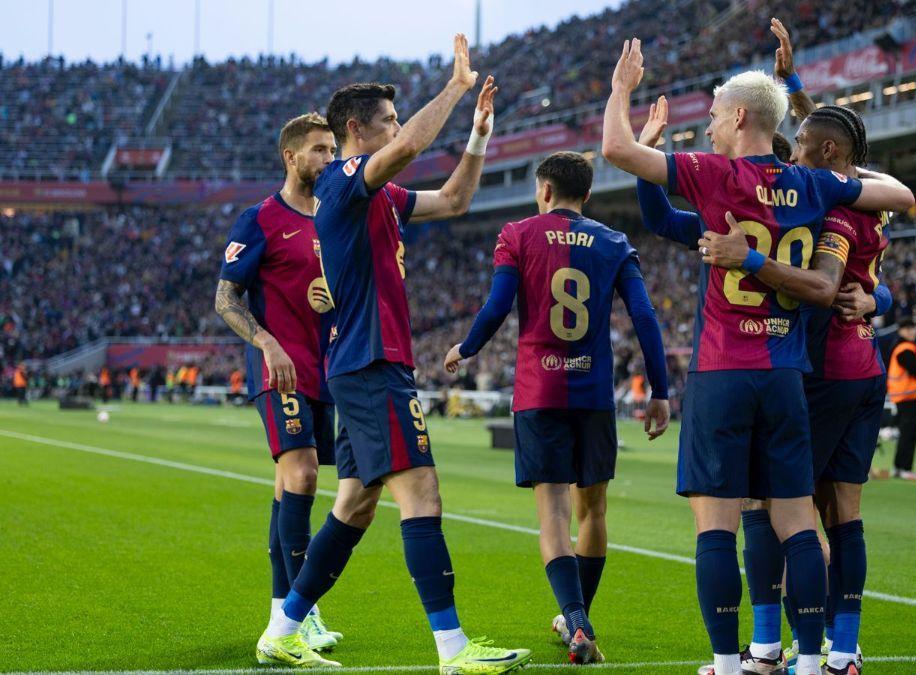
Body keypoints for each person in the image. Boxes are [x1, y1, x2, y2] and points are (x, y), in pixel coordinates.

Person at [601, 36, 915, 675]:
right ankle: (809, 659)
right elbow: (897, 196)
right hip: (788, 372)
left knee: (719, 521)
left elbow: (615, 150)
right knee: (798, 516)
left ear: (739, 117)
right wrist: (875, 283)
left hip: (724, 367)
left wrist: (623, 92)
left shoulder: (718, 177)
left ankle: (731, 660)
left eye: (716, 114)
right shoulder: (815, 184)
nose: (711, 124)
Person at [264, 35, 530, 672]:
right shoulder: (344, 179)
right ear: (357, 129)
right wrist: (456, 88)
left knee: (355, 504)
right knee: (423, 494)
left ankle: (284, 627)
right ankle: (453, 648)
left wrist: (478, 138)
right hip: (371, 362)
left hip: (367, 362)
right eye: (386, 117)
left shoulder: (377, 192)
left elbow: (454, 200)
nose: (396, 126)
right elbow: (409, 145)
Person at [443, 151, 672, 664]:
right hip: (592, 395)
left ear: (543, 191)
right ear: (587, 195)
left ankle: (577, 618)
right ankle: (578, 618)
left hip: (540, 393)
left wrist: (468, 347)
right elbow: (645, 316)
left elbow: (498, 306)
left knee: (553, 515)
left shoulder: (518, 234)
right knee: (594, 509)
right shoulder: (614, 242)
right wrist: (660, 390)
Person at [700, 98, 893, 673]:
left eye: (802, 143)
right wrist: (881, 298)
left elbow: (829, 286)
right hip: (865, 366)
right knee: (844, 512)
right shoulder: (861, 194)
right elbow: (855, 157)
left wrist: (752, 257)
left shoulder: (825, 208)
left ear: (827, 152)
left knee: (772, 505)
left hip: (823, 368)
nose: (794, 149)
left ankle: (766, 650)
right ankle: (843, 652)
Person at [215, 112, 342, 660]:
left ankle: (277, 613)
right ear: (291, 157)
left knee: (286, 490)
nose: (329, 159)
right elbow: (225, 298)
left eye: (333, 149)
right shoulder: (260, 219)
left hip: (324, 371)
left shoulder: (337, 219)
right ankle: (303, 614)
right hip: (280, 369)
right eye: (319, 150)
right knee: (305, 475)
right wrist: (267, 344)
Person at [888, 317, 916, 480]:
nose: (911, 331)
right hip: (908, 397)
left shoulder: (898, 347)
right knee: (910, 433)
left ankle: (898, 467)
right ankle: (905, 468)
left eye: (912, 328)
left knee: (906, 433)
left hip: (903, 397)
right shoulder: (906, 348)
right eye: (907, 329)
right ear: (901, 331)